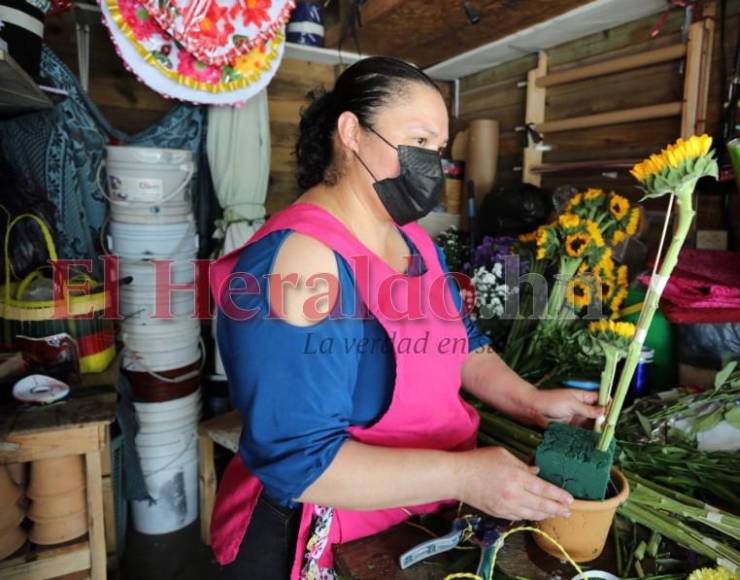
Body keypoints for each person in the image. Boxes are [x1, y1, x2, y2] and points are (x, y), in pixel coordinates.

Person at [209, 56, 603, 579]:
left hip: (412, 517)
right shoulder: (302, 261)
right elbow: (298, 462)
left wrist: (528, 400)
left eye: (438, 150)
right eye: (418, 142)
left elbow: (459, 339)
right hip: (316, 534)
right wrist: (464, 477)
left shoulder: (411, 237)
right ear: (350, 131)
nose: (432, 166)